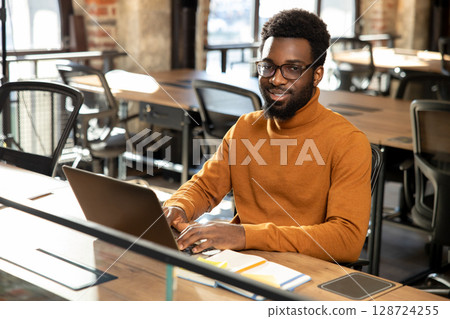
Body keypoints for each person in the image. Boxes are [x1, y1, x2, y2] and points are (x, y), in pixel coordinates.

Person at [163, 9, 371, 263]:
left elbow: (347, 240)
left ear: (317, 75)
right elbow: (206, 187)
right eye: (268, 67)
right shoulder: (246, 127)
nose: (277, 79)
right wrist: (179, 206)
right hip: (243, 263)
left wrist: (246, 235)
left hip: (307, 271)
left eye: (293, 69)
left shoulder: (348, 141)